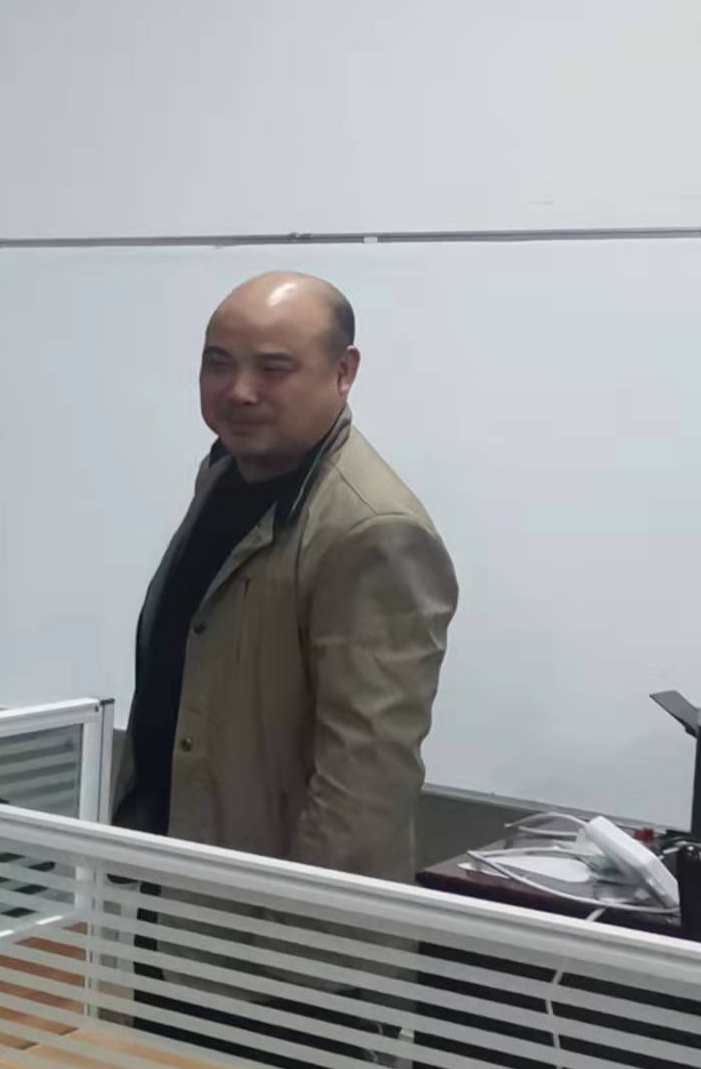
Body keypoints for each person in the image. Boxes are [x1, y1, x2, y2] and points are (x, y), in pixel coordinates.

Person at [114, 271, 457, 881]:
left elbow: (363, 790)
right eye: (218, 363)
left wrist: (293, 929)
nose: (239, 391)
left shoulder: (372, 529)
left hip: (263, 915)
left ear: (343, 371)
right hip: (170, 869)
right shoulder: (225, 472)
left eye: (273, 368)